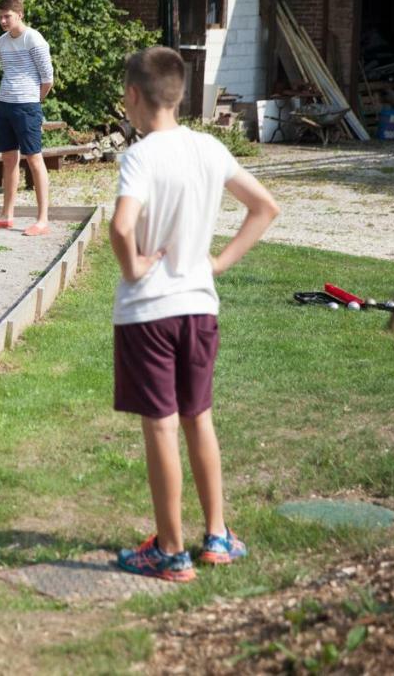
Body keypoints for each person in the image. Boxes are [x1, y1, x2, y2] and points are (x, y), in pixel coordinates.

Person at [110, 47, 279, 581]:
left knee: (160, 427)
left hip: (148, 314)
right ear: (179, 95)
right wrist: (218, 264)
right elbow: (264, 207)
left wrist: (134, 267)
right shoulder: (208, 148)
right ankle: (218, 536)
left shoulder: (140, 156)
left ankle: (171, 551)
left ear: (134, 96)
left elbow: (120, 226)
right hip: (198, 309)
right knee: (197, 418)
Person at [0, 0, 54, 237]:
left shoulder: (33, 39)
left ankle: (42, 220)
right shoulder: (1, 42)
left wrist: (35, 102)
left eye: (7, 16)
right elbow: (8, 71)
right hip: (4, 104)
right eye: (0, 16)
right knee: (9, 160)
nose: (3, 20)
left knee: (34, 159)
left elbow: (47, 78)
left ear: (20, 15)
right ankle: (6, 216)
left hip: (27, 106)